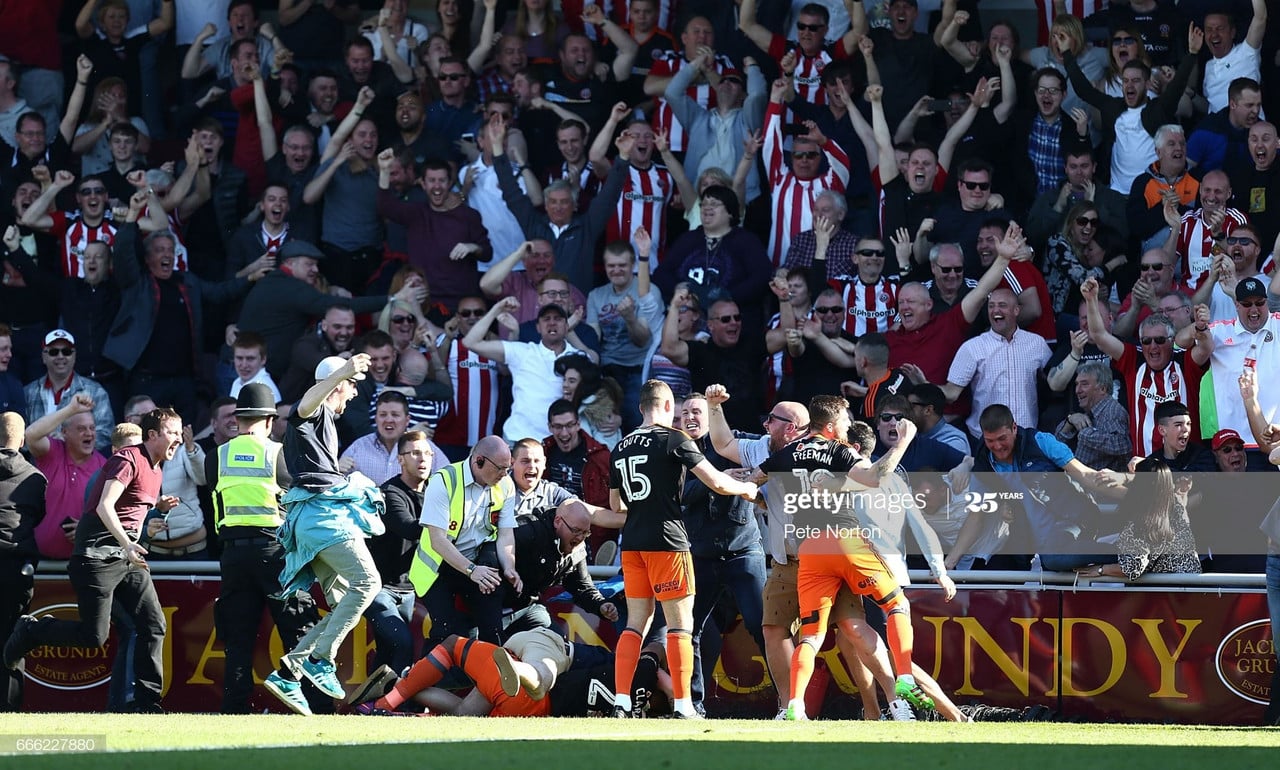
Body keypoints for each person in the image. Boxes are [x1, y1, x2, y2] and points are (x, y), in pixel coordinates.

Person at [756, 395, 943, 722]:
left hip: (809, 551)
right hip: (845, 541)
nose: (848, 425)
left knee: (811, 635)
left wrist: (741, 488)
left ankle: (795, 706)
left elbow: (748, 483)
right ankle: (904, 680)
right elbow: (875, 477)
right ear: (830, 426)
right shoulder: (839, 449)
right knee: (896, 604)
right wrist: (903, 442)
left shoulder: (785, 454)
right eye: (844, 420)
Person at [3, 408, 183, 713]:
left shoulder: (157, 468)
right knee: (93, 637)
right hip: (96, 559)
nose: (179, 439)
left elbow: (131, 516)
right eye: (173, 432)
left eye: (180, 433)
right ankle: (30, 632)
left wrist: (156, 513)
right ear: (152, 435)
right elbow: (104, 506)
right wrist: (128, 544)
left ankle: (148, 703)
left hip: (125, 558)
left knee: (153, 625)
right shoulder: (127, 459)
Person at [609, 379, 758, 719]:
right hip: (669, 543)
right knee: (680, 626)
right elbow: (717, 481)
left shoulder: (621, 446)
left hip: (632, 545)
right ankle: (684, 705)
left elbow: (616, 505)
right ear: (666, 408)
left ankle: (620, 700)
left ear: (640, 407)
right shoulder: (674, 439)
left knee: (636, 624)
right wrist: (748, 489)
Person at [263, 355, 385, 715]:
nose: (353, 392)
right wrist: (344, 371)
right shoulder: (313, 412)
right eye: (351, 384)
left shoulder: (327, 420)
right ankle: (321, 659)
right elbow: (305, 405)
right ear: (339, 384)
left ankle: (290, 671)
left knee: (345, 602)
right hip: (321, 517)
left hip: (316, 518)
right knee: (368, 583)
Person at [210, 383, 322, 715]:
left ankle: (234, 709)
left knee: (238, 638)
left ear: (238, 419)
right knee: (299, 631)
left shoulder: (217, 455)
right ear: (271, 421)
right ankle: (315, 705)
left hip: (233, 555)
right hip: (276, 553)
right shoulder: (280, 454)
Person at [410, 435, 520, 648]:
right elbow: (437, 541)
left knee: (492, 626)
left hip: (476, 562)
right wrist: (472, 570)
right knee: (445, 631)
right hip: (439, 566)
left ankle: (486, 677)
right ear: (479, 461)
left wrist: (509, 567)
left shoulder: (505, 484)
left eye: (508, 468)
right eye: (500, 468)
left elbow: (505, 533)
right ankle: (417, 680)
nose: (505, 474)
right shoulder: (444, 480)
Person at [365, 429, 433, 677]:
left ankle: (369, 707)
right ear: (400, 459)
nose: (422, 459)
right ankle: (390, 706)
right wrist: (446, 525)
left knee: (387, 653)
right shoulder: (390, 492)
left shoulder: (434, 493)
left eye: (427, 453)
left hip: (408, 590)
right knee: (402, 644)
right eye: (415, 453)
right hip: (378, 587)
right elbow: (408, 528)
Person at [1082, 458, 1200, 580]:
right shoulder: (1177, 505)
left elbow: (1132, 567)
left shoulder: (1141, 523)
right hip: (1193, 584)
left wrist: (1101, 569)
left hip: (1168, 591)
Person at [23, 393, 107, 560]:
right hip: (40, 563)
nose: (89, 433)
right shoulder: (53, 452)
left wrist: (88, 529)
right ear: (64, 432)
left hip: (84, 563)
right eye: (81, 429)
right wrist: (70, 409)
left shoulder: (104, 467)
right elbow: (31, 435)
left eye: (92, 428)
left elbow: (117, 513)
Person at [0, 412, 45, 710]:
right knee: (12, 640)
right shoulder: (34, 477)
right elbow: (37, 516)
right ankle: (10, 709)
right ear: (22, 438)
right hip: (16, 565)